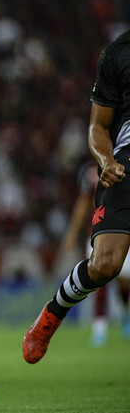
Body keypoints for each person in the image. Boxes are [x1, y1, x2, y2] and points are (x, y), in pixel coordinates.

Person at [23, 30, 130, 364]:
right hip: (126, 168)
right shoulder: (117, 54)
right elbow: (98, 126)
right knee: (106, 265)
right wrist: (107, 161)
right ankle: (51, 315)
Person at [59, 161, 130, 347]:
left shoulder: (124, 165)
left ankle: (125, 313)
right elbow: (83, 204)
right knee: (98, 282)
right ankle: (99, 329)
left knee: (124, 281)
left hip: (122, 234)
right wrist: (72, 234)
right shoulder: (90, 172)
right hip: (96, 234)